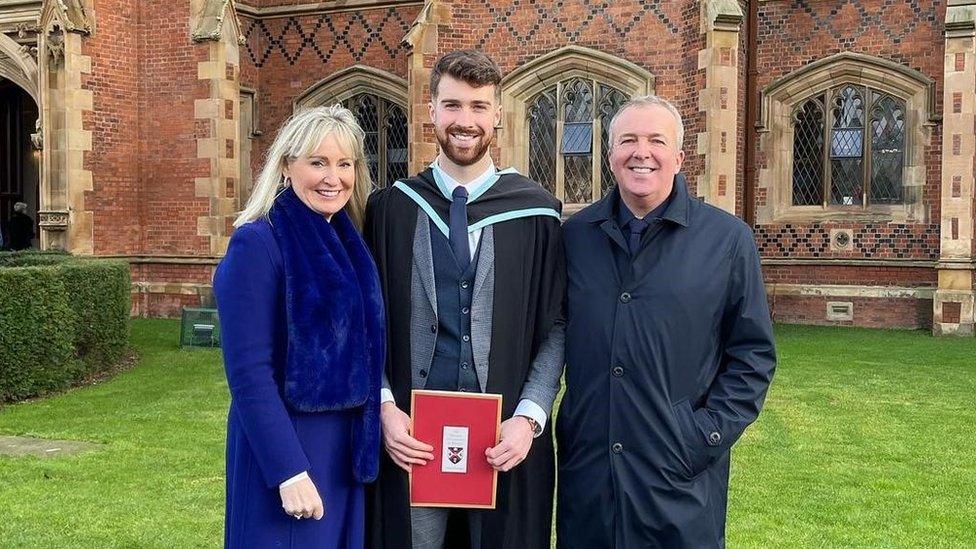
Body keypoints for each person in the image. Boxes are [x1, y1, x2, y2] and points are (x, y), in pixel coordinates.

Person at [364, 50, 565, 549]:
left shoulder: (536, 213)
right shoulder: (391, 208)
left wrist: (530, 416)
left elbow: (558, 324)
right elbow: (364, 321)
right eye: (452, 105)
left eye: (478, 107)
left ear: (497, 114)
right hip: (412, 440)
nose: (465, 121)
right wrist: (385, 407)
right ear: (430, 110)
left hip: (503, 440)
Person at [557, 95, 777, 548]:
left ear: (678, 157)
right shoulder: (574, 237)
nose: (642, 152)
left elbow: (752, 356)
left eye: (657, 140)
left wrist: (701, 435)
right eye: (628, 140)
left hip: (679, 481)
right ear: (611, 154)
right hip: (590, 474)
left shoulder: (727, 240)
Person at [213, 105, 385, 549]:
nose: (334, 177)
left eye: (344, 164)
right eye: (318, 162)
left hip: (342, 455)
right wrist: (287, 470)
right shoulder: (258, 242)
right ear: (287, 166)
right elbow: (249, 372)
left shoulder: (349, 241)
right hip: (288, 451)